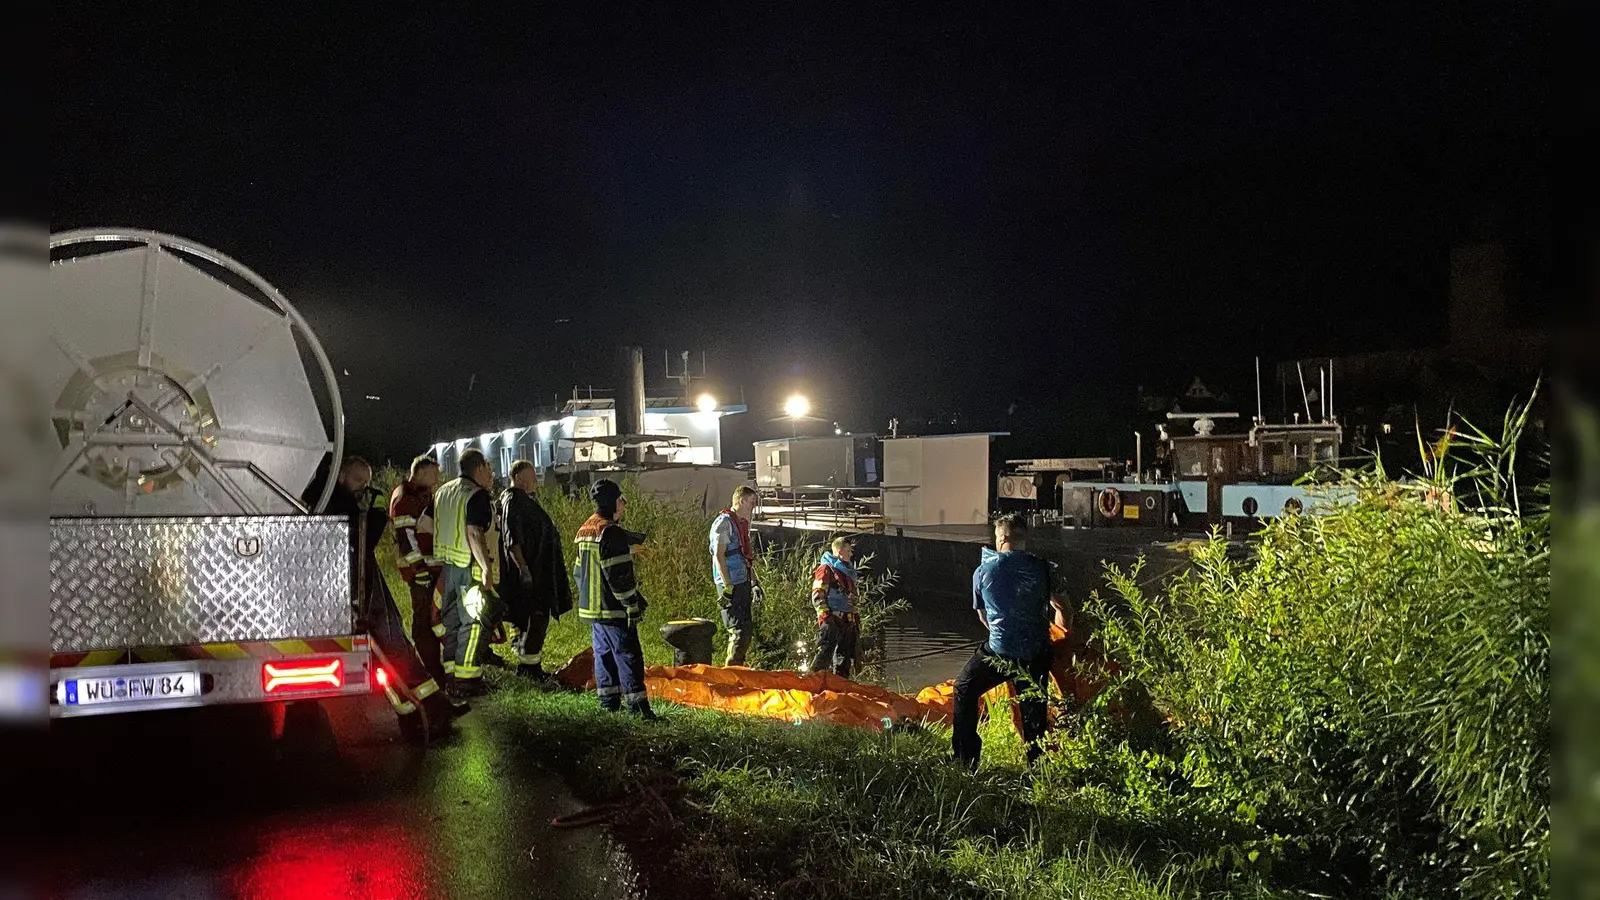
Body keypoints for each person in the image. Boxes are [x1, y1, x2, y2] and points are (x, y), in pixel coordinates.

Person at [311, 456, 460, 745]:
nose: (362, 490)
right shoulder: (339, 501)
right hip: (360, 582)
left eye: (366, 484)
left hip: (353, 581)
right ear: (340, 476)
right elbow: (363, 536)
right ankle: (432, 710)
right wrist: (376, 507)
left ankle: (413, 712)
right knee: (393, 641)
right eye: (357, 482)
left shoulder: (326, 494)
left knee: (382, 650)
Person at [951, 513, 1062, 772]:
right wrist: (1059, 632)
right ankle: (1038, 769)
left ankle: (965, 760)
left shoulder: (983, 570)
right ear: (1024, 538)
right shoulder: (1045, 568)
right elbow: (1063, 607)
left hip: (999, 652)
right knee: (1034, 708)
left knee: (964, 689)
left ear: (1000, 538)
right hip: (1036, 652)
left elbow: (983, 617)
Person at [572, 479, 658, 719]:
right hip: (613, 609)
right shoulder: (611, 532)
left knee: (604, 655)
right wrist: (632, 605)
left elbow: (579, 572)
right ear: (612, 502)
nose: (624, 505)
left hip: (594, 610)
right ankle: (639, 709)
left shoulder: (586, 530)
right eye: (621, 500)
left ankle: (609, 702)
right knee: (628, 655)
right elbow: (618, 577)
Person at [433, 449, 500, 698]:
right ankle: (467, 680)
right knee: (472, 624)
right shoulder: (476, 495)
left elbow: (426, 523)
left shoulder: (443, 491)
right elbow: (474, 532)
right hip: (468, 568)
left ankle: (450, 674)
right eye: (489, 467)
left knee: (451, 623)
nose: (491, 473)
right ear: (479, 467)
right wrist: (486, 569)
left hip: (447, 569)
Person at [498, 459, 573, 681]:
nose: (536, 482)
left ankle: (531, 665)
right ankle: (529, 669)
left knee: (536, 617)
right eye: (532, 477)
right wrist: (524, 569)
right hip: (532, 570)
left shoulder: (523, 501)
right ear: (519, 477)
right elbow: (512, 540)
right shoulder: (513, 501)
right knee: (535, 617)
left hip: (539, 569)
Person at [389, 454, 445, 684]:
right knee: (423, 622)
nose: (437, 478)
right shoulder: (404, 499)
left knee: (434, 619)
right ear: (421, 472)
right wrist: (419, 569)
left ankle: (436, 667)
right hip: (419, 573)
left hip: (431, 570)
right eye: (434, 473)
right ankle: (431, 670)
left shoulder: (421, 495)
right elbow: (405, 538)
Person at [709, 485, 761, 666]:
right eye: (752, 502)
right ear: (741, 501)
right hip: (731, 583)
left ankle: (738, 668)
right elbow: (718, 555)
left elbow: (745, 557)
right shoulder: (724, 523)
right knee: (738, 630)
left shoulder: (740, 524)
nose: (754, 506)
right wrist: (727, 585)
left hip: (743, 581)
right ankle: (731, 672)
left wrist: (754, 582)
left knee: (746, 629)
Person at [808, 535, 862, 678]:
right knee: (825, 652)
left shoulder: (848, 572)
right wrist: (825, 616)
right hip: (833, 618)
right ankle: (814, 680)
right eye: (848, 551)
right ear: (839, 551)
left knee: (844, 659)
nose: (851, 554)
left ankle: (840, 686)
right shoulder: (826, 569)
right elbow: (817, 593)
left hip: (847, 619)